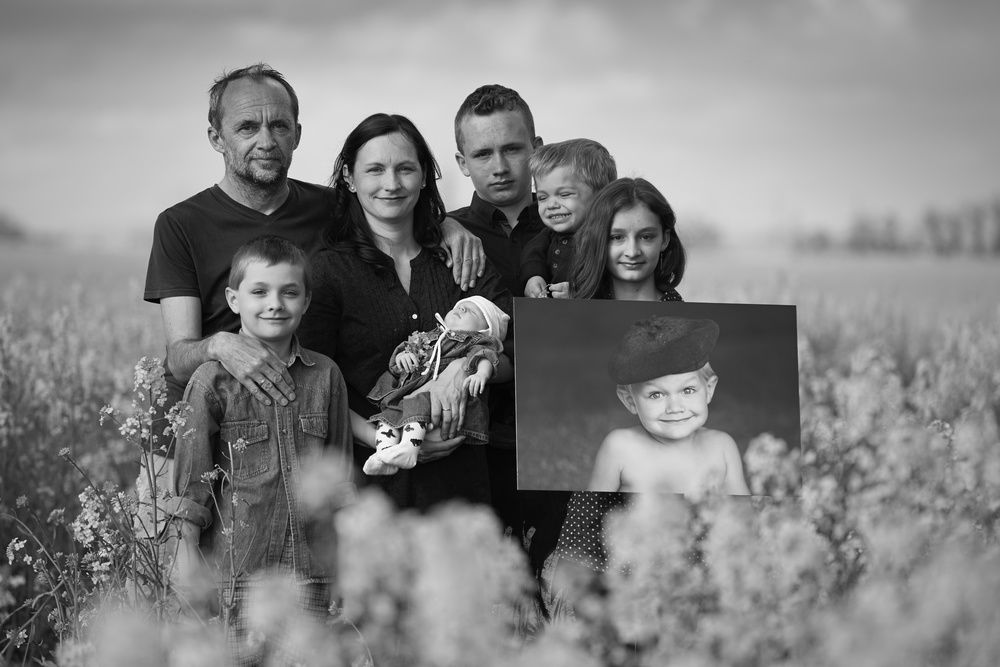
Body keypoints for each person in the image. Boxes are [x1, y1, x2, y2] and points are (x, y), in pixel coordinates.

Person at [141, 64, 483, 525]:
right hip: (195, 442)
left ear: (297, 134)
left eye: (280, 126)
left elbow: (394, 201)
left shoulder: (329, 209)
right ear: (216, 138)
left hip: (289, 436)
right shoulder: (181, 224)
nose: (267, 140)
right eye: (247, 127)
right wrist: (223, 345)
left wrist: (449, 226)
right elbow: (179, 357)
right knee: (180, 566)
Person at [297, 112, 513, 510]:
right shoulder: (327, 272)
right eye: (375, 170)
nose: (392, 183)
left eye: (405, 169)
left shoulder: (463, 259)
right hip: (371, 494)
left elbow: (514, 356)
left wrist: (460, 370)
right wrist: (390, 439)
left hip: (462, 493)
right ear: (349, 178)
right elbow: (312, 385)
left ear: (425, 175)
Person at [167, 235, 356, 666]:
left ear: (307, 301)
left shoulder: (327, 377)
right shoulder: (210, 383)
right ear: (234, 300)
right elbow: (191, 498)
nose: (275, 304)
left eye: (289, 292)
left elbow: (340, 489)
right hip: (235, 582)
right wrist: (190, 580)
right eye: (259, 292)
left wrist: (347, 571)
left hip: (312, 579)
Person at [448, 84, 548, 548]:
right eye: (483, 154)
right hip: (474, 448)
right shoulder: (441, 236)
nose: (500, 166)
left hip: (564, 434)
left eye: (513, 149)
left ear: (537, 149)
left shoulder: (578, 229)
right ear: (461, 162)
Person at [589, 316, 750, 495]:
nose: (675, 407)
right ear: (630, 401)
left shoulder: (722, 447)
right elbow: (587, 509)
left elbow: (745, 509)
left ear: (709, 389)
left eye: (688, 390)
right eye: (656, 395)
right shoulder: (620, 448)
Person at [364, 295, 509, 475]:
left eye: (472, 311)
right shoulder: (429, 336)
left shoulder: (475, 341)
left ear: (486, 330)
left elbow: (485, 356)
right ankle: (384, 454)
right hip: (409, 396)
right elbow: (405, 353)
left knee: (418, 404)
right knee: (387, 418)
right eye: (460, 306)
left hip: (437, 404)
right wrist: (403, 357)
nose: (462, 309)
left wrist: (481, 373)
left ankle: (408, 449)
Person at [519, 139, 617, 299]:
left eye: (564, 194)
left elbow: (613, 282)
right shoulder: (548, 236)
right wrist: (534, 277)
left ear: (601, 195)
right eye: (542, 197)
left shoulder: (607, 238)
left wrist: (582, 294)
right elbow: (533, 255)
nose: (551, 205)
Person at [570, 177, 686, 302]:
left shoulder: (681, 312)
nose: (632, 252)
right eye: (617, 237)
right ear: (596, 240)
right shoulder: (575, 307)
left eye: (646, 237)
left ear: (664, 240)